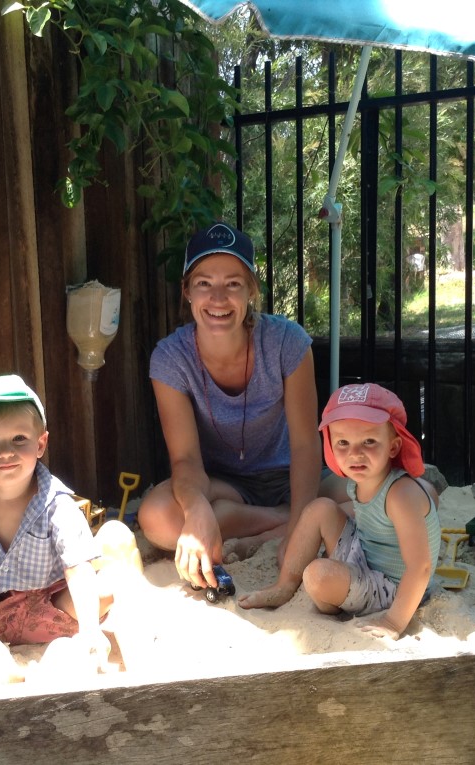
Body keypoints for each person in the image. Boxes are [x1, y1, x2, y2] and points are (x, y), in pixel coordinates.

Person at [138, 221, 344, 591]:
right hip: (225, 485)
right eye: (204, 283)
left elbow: (304, 444)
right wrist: (197, 508)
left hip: (291, 476)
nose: (218, 298)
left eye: (233, 283)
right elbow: (185, 459)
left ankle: (283, 521)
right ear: (187, 291)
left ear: (251, 289)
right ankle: (277, 520)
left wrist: (297, 531)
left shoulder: (287, 342)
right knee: (156, 518)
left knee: (373, 503)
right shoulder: (170, 358)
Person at [0, 374, 142, 683]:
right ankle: (0, 661)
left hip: (57, 610)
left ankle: (141, 654)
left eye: (19, 439)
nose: (5, 452)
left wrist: (90, 629)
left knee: (116, 571)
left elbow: (77, 569)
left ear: (40, 444)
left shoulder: (56, 502)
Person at [239, 382, 441, 641]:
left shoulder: (400, 494)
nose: (355, 454)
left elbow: (420, 567)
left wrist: (393, 621)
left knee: (317, 575)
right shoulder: (362, 481)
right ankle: (285, 585)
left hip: (396, 587)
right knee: (319, 508)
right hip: (366, 557)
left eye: (368, 441)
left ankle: (333, 601)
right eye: (343, 442)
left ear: (393, 446)